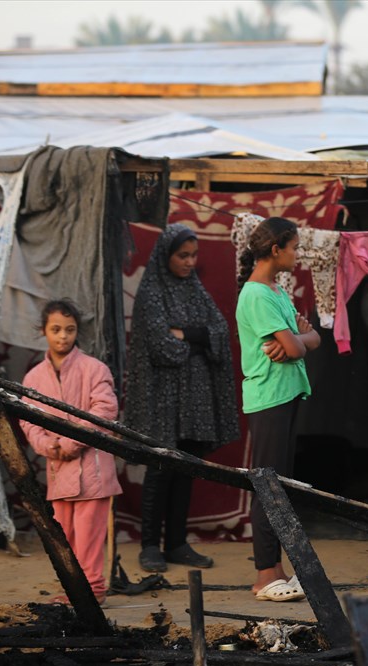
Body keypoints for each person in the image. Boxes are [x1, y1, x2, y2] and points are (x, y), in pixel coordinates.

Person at [127, 223, 240, 573]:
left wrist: (186, 334)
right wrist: (198, 340)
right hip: (161, 399)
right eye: (183, 255)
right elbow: (162, 347)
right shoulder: (151, 293)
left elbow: (220, 333)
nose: (190, 262)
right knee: (161, 469)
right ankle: (150, 546)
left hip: (194, 401)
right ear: (166, 255)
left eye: (194, 255)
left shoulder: (194, 289)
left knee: (186, 470)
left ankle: (176, 543)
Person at [236, 217, 320, 602]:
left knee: (279, 485)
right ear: (276, 250)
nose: (297, 254)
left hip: (285, 393)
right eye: (294, 247)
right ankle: (263, 574)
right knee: (267, 486)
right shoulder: (256, 295)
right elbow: (301, 345)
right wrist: (298, 342)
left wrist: (297, 341)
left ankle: (278, 570)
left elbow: (309, 338)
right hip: (268, 397)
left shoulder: (277, 292)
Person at [20, 300, 122, 605]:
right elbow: (27, 419)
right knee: (65, 536)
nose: (63, 336)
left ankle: (93, 589)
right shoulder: (34, 378)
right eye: (55, 330)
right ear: (43, 331)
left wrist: (69, 443)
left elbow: (104, 410)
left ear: (77, 331)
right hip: (58, 469)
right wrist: (48, 446)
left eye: (69, 330)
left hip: (93, 469)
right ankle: (74, 590)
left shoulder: (95, 369)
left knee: (89, 535)